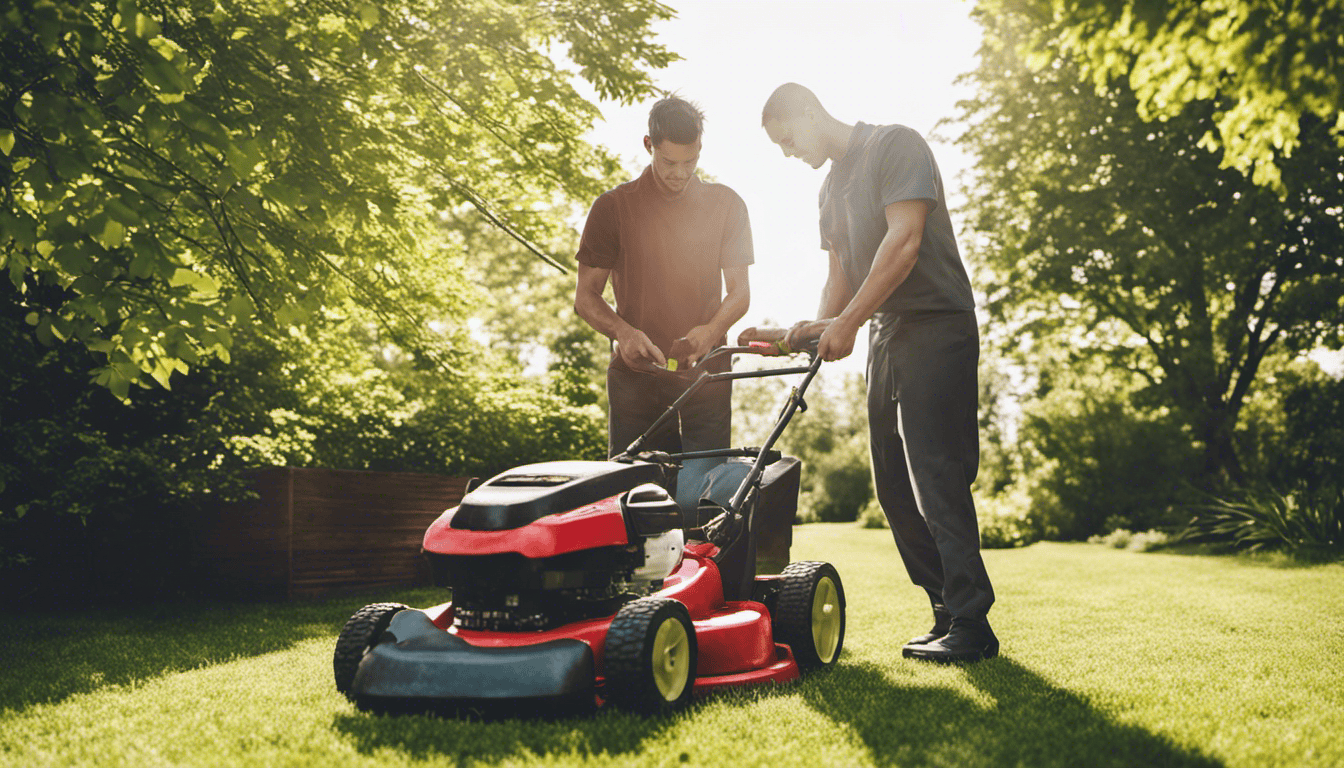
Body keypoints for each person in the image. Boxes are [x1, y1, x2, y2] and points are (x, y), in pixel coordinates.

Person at [758, 83, 997, 662]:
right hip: (890, 333)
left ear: (810, 112)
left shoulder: (895, 146)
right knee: (892, 485)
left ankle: (972, 622)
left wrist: (848, 323)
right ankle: (945, 610)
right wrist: (809, 329)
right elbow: (840, 276)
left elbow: (905, 241)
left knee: (935, 476)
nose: (788, 153)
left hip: (937, 323)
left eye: (788, 138)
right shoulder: (828, 190)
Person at [574, 95, 753, 459]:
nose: (680, 173)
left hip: (708, 378)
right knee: (636, 497)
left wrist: (711, 331)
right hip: (636, 380)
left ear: (700, 148)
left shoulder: (727, 205)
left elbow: (740, 293)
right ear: (648, 145)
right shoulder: (612, 208)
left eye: (691, 161)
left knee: (705, 495)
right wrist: (623, 333)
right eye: (670, 162)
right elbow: (586, 297)